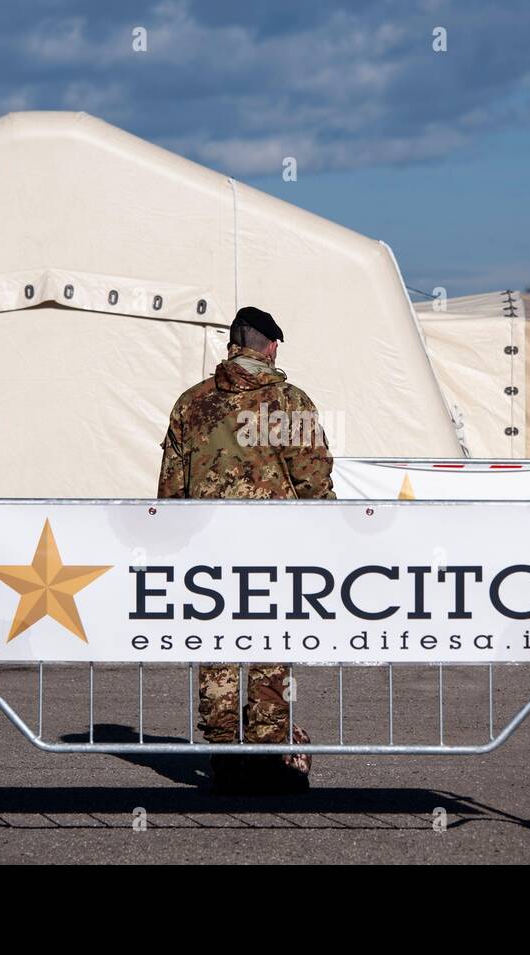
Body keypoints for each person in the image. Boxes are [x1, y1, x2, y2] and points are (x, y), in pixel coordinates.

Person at [157, 305, 334, 792]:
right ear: (270, 346)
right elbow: (315, 484)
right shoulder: (291, 403)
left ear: (232, 345)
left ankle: (224, 757)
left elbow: (170, 489)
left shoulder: (191, 404)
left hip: (208, 556)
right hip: (275, 552)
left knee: (216, 647)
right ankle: (266, 755)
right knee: (270, 647)